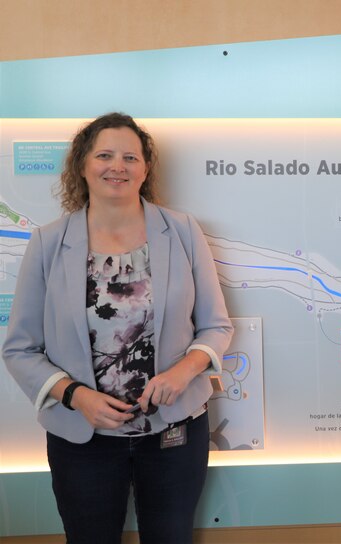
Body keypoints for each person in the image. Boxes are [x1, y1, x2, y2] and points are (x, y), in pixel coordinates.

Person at [2, 113, 234, 543]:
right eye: (104, 155)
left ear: (145, 169)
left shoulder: (182, 231)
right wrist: (75, 396)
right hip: (82, 438)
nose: (118, 166)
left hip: (174, 433)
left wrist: (184, 371)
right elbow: (20, 349)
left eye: (131, 156)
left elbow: (217, 326)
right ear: (82, 165)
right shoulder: (48, 243)